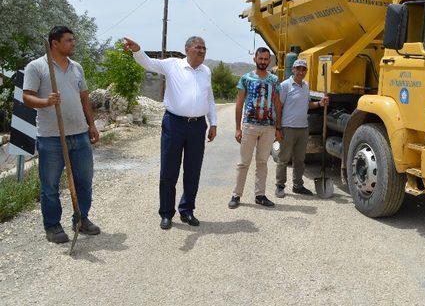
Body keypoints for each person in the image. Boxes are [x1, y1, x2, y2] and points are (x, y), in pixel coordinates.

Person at [123, 36, 217, 230]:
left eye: (204, 48)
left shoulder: (205, 71)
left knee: (193, 170)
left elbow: (210, 99)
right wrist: (137, 50)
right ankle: (166, 213)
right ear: (187, 49)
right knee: (169, 170)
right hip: (174, 124)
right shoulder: (172, 65)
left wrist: (213, 123)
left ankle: (187, 210)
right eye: (198, 47)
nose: (202, 51)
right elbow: (148, 63)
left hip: (197, 126)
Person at [23, 26, 101, 244]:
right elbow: (27, 98)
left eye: (73, 40)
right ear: (54, 43)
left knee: (84, 181)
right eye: (68, 40)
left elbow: (84, 98)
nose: (73, 43)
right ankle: (53, 226)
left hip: (79, 135)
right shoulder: (37, 67)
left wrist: (91, 124)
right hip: (51, 137)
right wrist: (46, 101)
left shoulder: (77, 68)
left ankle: (81, 219)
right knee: (50, 185)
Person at [228, 47, 281, 209]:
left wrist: (278, 127)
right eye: (261, 59)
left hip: (268, 128)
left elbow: (278, 104)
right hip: (250, 125)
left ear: (269, 61)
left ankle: (260, 195)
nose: (263, 62)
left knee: (262, 162)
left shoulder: (274, 80)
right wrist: (238, 128)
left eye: (266, 59)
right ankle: (236, 195)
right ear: (255, 59)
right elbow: (239, 104)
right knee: (244, 162)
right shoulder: (246, 78)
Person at [274, 59, 328, 198]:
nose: (300, 72)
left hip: (303, 128)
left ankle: (298, 185)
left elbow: (307, 105)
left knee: (300, 160)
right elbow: (278, 107)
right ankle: (280, 186)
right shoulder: (285, 85)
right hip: (288, 128)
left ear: (306, 72)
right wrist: (278, 128)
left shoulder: (305, 86)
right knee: (284, 158)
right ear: (293, 69)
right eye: (298, 69)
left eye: (303, 69)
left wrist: (319, 103)